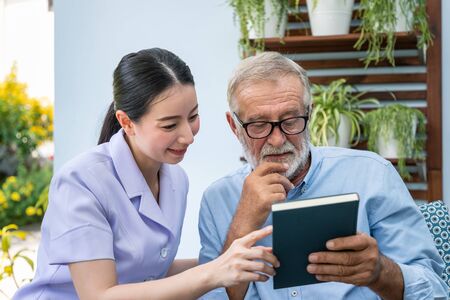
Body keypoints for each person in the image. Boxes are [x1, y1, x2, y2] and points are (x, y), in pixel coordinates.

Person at [13, 48, 280, 300]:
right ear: (126, 122)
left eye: (193, 116)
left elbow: (148, 273)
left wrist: (233, 260)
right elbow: (99, 295)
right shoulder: (81, 181)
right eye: (170, 124)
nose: (188, 136)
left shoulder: (176, 180)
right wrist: (212, 272)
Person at [198, 52, 449, 300]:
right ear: (234, 127)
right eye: (259, 125)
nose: (277, 139)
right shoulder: (217, 199)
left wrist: (380, 272)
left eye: (291, 120)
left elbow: (435, 291)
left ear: (310, 112)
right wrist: (242, 224)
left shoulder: (372, 174)